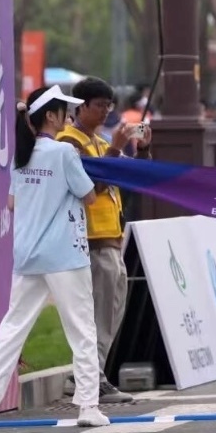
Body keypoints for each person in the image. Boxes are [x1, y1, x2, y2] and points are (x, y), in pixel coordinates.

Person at [0, 86, 110, 428]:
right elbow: (89, 196)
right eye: (64, 112)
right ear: (51, 116)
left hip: (27, 256)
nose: (69, 117)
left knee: (12, 329)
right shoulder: (64, 153)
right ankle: (88, 407)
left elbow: (13, 203)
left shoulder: (22, 156)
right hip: (65, 256)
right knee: (82, 330)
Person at [58, 77, 140, 405]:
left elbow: (125, 178)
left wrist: (141, 152)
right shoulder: (70, 142)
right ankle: (89, 378)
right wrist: (117, 149)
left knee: (110, 310)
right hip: (91, 239)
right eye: (99, 105)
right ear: (81, 107)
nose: (106, 111)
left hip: (110, 237)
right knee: (99, 313)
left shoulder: (96, 140)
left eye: (109, 105)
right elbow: (91, 187)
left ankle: (90, 374)